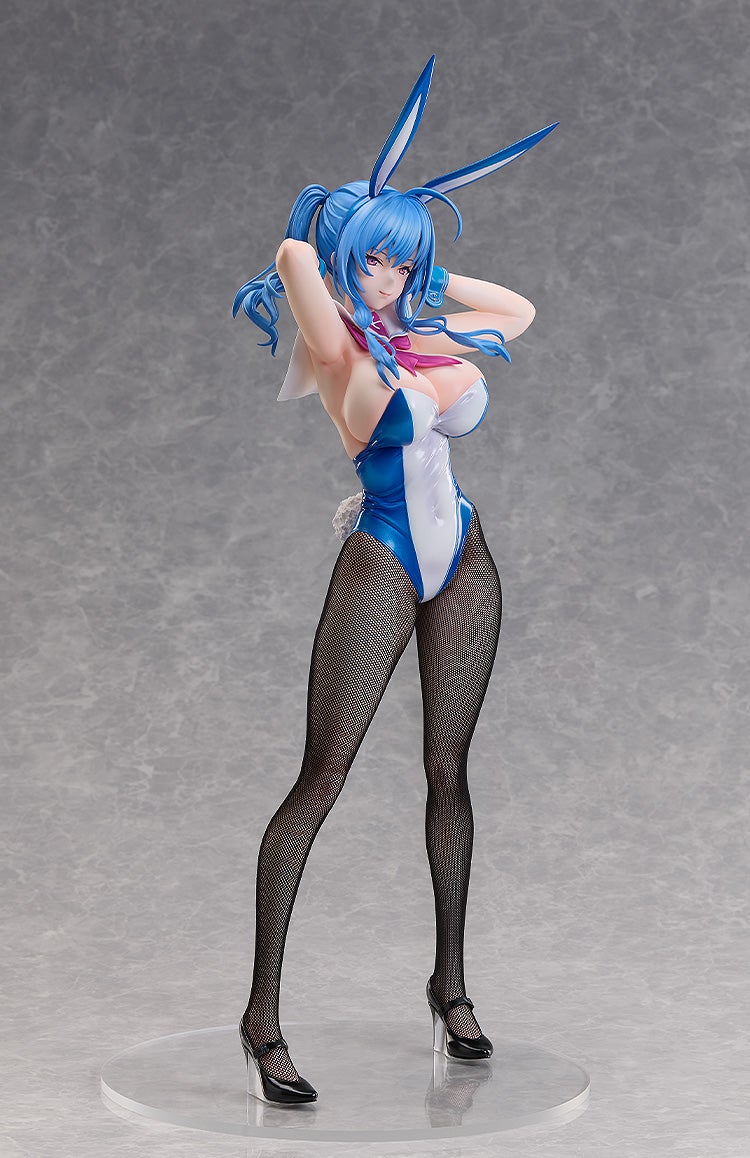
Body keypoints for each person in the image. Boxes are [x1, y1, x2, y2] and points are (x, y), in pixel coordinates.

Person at [232, 57, 557, 1105]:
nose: (385, 278)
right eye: (372, 262)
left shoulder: (420, 332)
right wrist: (346, 232)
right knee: (320, 779)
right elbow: (292, 252)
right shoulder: (333, 347)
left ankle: (449, 985)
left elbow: (520, 310)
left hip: (463, 556)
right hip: (380, 557)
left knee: (450, 773)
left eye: (398, 263)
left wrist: (423, 268)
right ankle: (261, 1018)